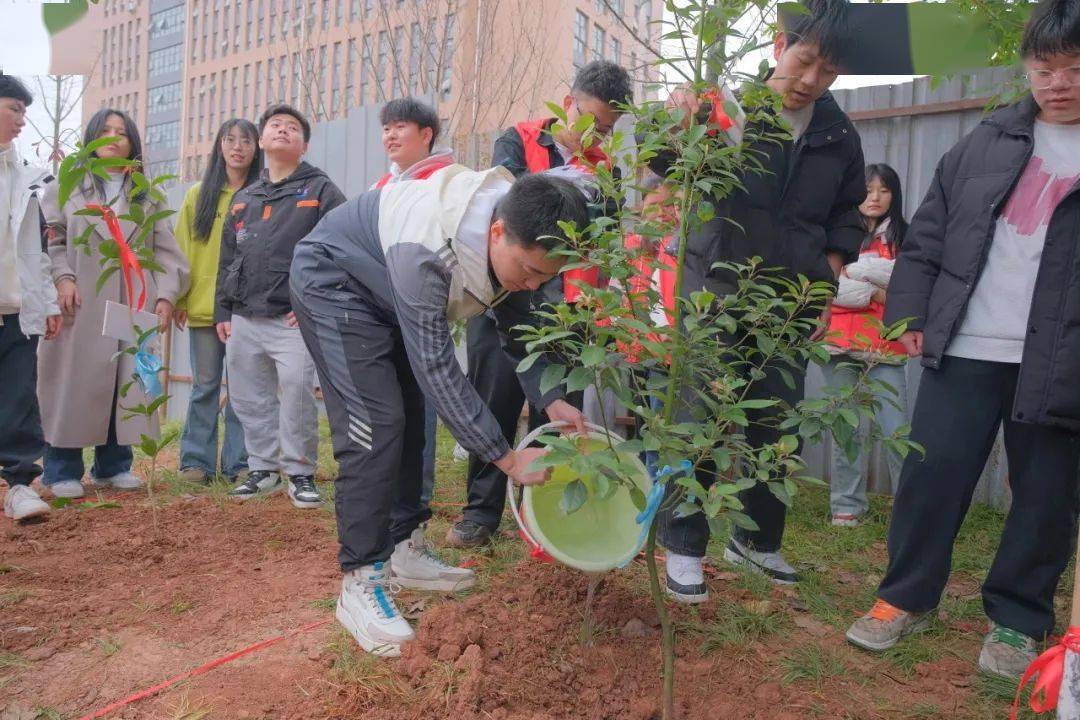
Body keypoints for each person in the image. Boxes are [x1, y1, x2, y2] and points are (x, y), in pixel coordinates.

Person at [846, 0, 1080, 680]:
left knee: (1046, 496)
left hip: (1060, 359)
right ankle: (904, 596)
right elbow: (926, 236)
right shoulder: (987, 140)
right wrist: (911, 314)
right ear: (1027, 68)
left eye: (1075, 68)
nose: (1059, 83)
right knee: (931, 476)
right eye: (1045, 68)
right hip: (967, 345)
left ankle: (1018, 619)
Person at [289, 169, 589, 656]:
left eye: (545, 277)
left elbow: (519, 326)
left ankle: (404, 546)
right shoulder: (429, 253)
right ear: (497, 232)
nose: (533, 284)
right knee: (375, 426)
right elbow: (436, 366)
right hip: (335, 281)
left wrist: (550, 395)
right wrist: (507, 458)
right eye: (530, 271)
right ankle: (361, 580)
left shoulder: (513, 232)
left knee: (410, 416)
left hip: (385, 290)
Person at [657, 0, 866, 598]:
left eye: (828, 72)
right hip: (715, 290)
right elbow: (665, 164)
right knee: (698, 416)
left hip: (787, 302)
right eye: (805, 61)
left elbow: (844, 216)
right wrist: (676, 120)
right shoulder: (729, 108)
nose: (810, 80)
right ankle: (683, 545)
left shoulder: (837, 134)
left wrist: (823, 285)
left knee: (776, 425)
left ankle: (755, 542)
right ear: (779, 46)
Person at [445, 59, 633, 549]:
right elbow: (510, 202)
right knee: (495, 400)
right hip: (503, 296)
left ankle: (542, 520)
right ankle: (480, 514)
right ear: (569, 103)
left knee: (557, 414)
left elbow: (604, 238)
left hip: (568, 310)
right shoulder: (519, 138)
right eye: (591, 120)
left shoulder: (606, 170)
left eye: (607, 128)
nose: (596, 134)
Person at [38, 108, 189, 499]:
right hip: (80, 301)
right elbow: (51, 241)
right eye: (105, 130)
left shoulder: (147, 195)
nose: (113, 137)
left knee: (127, 382)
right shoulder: (65, 187)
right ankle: (61, 469)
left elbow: (167, 251)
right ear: (91, 138)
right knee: (72, 383)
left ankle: (113, 466)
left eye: (121, 132)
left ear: (133, 144)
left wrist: (165, 297)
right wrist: (63, 278)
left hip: (133, 303)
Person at [214, 104, 345, 507]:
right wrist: (223, 310)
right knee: (249, 396)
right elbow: (227, 257)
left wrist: (313, 302)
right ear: (262, 140)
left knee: (297, 393)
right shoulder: (244, 197)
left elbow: (342, 249)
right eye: (275, 126)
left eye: (292, 128)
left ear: (304, 145)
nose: (283, 130)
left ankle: (300, 473)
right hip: (244, 316)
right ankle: (263, 469)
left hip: (294, 319)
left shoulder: (320, 190)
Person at [371, 98, 456, 508]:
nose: (390, 135)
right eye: (386, 128)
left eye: (400, 126)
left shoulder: (447, 181)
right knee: (386, 401)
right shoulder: (381, 186)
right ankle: (388, 491)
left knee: (420, 401)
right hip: (380, 310)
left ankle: (416, 497)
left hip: (421, 307)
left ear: (426, 134)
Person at [174, 119, 262, 485]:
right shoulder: (199, 195)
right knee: (205, 386)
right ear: (220, 146)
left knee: (243, 390)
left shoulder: (262, 194)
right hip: (204, 308)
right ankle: (196, 462)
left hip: (248, 310)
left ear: (256, 148)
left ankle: (239, 463)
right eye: (230, 139)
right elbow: (182, 249)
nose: (238, 147)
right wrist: (179, 297)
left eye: (246, 140)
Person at [821, 163, 909, 527]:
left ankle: (910, 510)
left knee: (896, 429)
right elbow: (827, 288)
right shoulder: (837, 234)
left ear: (894, 196)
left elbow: (906, 287)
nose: (875, 198)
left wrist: (856, 273)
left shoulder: (906, 237)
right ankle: (847, 504)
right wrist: (874, 291)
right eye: (868, 190)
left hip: (885, 347)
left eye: (884, 191)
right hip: (838, 344)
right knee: (847, 427)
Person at [0, 75, 60, 521]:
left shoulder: (26, 178)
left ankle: (20, 486)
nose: (22, 119)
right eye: (14, 108)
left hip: (16, 311)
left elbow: (37, 249)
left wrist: (49, 302)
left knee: (20, 400)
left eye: (24, 111)